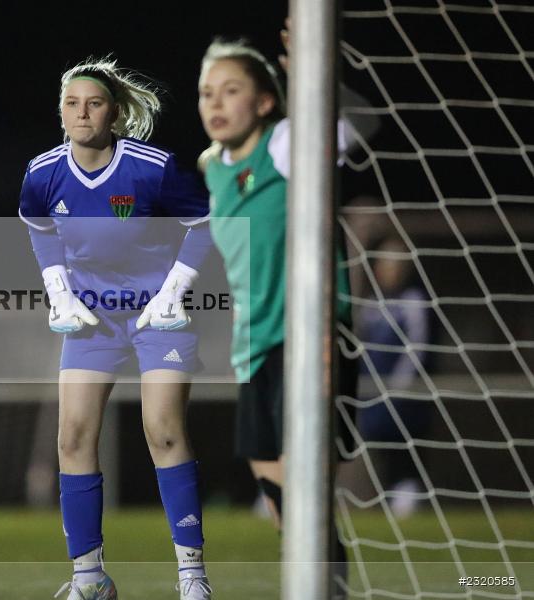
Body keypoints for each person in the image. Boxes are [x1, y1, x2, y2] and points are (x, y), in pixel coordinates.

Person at [18, 57, 215, 600]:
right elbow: (38, 226)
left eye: (95, 103)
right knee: (74, 435)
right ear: (61, 113)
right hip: (92, 319)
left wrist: (173, 292)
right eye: (72, 103)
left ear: (115, 113)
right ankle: (90, 580)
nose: (82, 113)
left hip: (158, 314)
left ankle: (193, 579)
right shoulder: (42, 173)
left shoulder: (152, 167)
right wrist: (59, 292)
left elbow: (204, 222)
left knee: (164, 429)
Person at [196, 23, 379, 599]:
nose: (216, 103)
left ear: (266, 100)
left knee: (308, 497)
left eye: (230, 89)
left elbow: (361, 125)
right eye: (207, 93)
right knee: (281, 504)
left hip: (312, 339)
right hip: (253, 347)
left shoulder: (285, 145)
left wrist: (313, 76)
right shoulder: (212, 168)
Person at [356, 237, 432, 518]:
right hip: (371, 389)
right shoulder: (371, 304)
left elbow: (417, 346)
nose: (390, 271)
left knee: (403, 440)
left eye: (396, 265)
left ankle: (408, 490)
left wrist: (401, 383)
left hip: (400, 391)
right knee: (378, 440)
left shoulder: (414, 302)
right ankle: (390, 491)